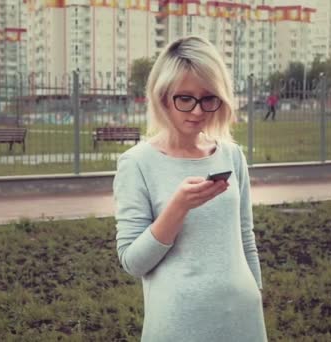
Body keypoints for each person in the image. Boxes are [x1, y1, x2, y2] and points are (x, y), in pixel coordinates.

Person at [113, 35, 267, 342]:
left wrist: (256, 294)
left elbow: (245, 238)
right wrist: (178, 207)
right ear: (162, 96)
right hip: (179, 325)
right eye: (185, 98)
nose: (197, 111)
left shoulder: (231, 155)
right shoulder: (137, 163)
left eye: (208, 98)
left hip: (242, 320)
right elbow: (133, 262)